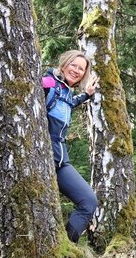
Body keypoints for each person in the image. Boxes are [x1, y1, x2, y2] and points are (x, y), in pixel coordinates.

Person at [42, 50, 99, 243]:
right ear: (64, 64)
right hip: (42, 159)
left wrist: (86, 95)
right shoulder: (49, 83)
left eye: (81, 69)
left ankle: (67, 246)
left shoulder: (66, 91)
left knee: (88, 202)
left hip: (60, 160)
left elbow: (67, 103)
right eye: (73, 65)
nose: (76, 70)